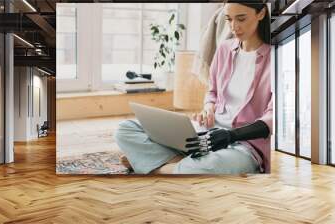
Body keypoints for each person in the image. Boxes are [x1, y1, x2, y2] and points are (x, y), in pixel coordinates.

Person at [115, 1, 272, 174]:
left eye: (241, 19)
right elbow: (212, 92)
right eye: (229, 19)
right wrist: (208, 109)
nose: (234, 27)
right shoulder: (225, 49)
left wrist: (231, 135)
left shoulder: (275, 57)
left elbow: (272, 118)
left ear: (261, 13)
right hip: (208, 132)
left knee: (209, 167)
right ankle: (179, 165)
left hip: (243, 146)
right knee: (126, 128)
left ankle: (155, 167)